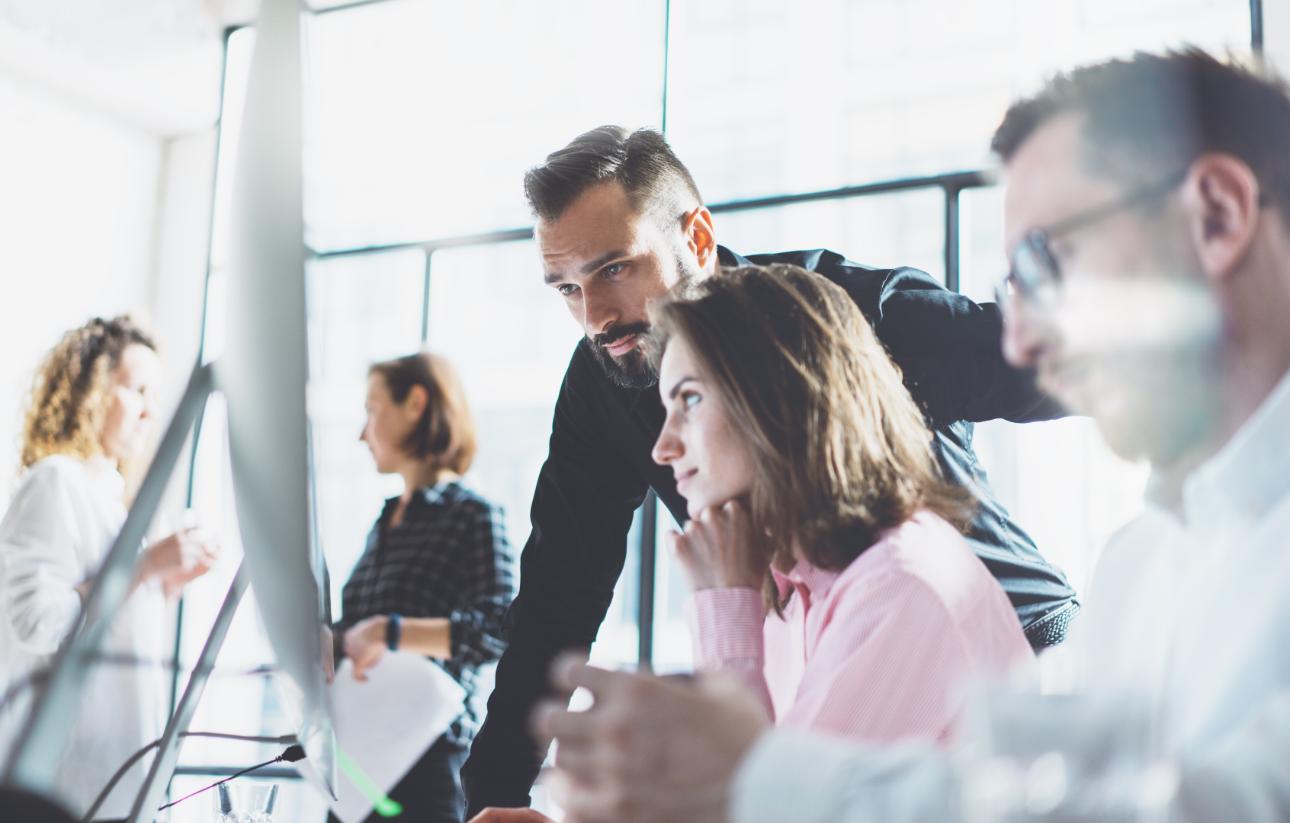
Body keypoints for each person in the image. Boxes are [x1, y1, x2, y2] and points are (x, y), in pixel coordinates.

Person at [532, 49, 1290, 823]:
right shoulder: (1145, 564)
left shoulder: (902, 567)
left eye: (1046, 261)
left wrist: (750, 777)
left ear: (1218, 216)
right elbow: (1035, 796)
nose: (1024, 340)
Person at [465, 125, 1077, 818]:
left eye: (615, 268)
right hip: (829, 635)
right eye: (567, 289)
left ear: (696, 237)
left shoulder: (827, 318)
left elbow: (1047, 363)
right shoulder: (608, 378)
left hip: (1005, 652)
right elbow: (558, 594)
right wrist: (490, 796)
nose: (595, 317)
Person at [649, 264, 1031, 742]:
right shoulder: (791, 585)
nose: (661, 448)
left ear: (782, 396)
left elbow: (762, 803)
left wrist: (723, 610)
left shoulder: (898, 587)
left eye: (689, 400)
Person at [0, 316, 219, 821]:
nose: (150, 411)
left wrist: (162, 584)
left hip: (113, 773)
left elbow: (105, 627)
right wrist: (142, 568)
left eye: (154, 394)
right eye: (137, 390)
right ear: (91, 392)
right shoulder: (55, 481)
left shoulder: (113, 503)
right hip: (65, 781)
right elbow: (37, 624)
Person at [331, 352, 517, 823]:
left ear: (415, 402)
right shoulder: (386, 520)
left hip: (426, 758)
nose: (362, 432)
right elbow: (358, 628)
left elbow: (500, 628)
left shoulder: (472, 514)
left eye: (372, 410)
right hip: (360, 760)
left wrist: (389, 632)